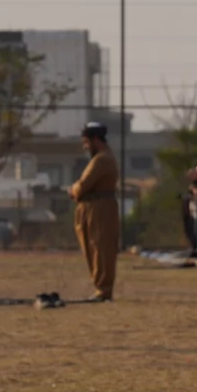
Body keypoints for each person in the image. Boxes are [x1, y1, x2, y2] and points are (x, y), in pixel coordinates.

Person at [71, 122, 120, 302]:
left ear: (96, 140)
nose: (85, 147)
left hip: (100, 208)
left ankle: (103, 288)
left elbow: (83, 185)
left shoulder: (102, 159)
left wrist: (74, 189)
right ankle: (100, 287)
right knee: (91, 247)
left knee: (101, 247)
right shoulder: (99, 159)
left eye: (86, 142)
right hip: (90, 207)